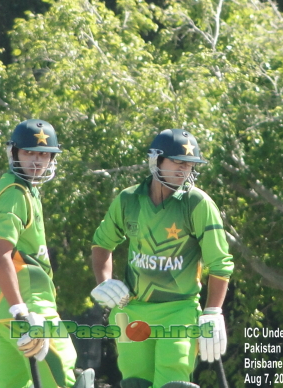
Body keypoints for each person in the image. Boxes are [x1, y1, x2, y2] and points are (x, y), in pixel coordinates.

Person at [91, 128, 234, 388]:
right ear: (156, 160)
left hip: (179, 311)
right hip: (131, 308)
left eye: (190, 164)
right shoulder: (128, 199)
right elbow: (102, 244)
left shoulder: (198, 203)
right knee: (134, 382)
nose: (184, 170)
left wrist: (213, 312)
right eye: (178, 162)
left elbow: (220, 263)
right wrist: (104, 282)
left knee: (173, 381)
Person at [0, 119, 93, 388]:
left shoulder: (18, 188)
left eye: (44, 154)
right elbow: (1, 256)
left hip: (0, 312)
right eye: (29, 152)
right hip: (28, 308)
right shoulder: (16, 192)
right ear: (13, 153)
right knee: (66, 373)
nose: (36, 160)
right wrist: (22, 311)